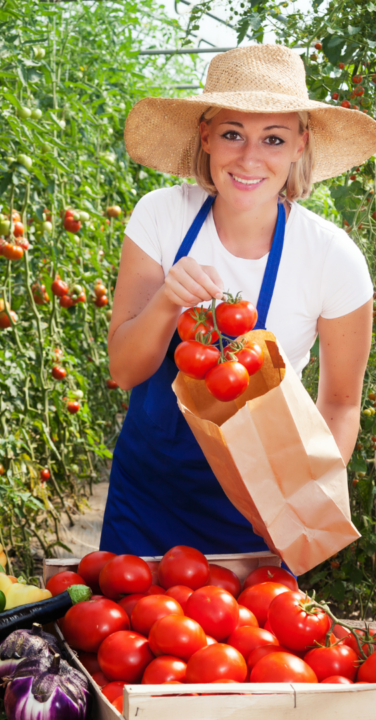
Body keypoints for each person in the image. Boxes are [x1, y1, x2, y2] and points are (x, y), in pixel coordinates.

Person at [101, 44, 376, 557]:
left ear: (300, 145)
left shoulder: (332, 258)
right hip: (147, 498)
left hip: (259, 512)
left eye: (273, 139)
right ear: (205, 136)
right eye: (232, 134)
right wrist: (165, 303)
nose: (250, 159)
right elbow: (124, 370)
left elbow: (340, 404)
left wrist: (301, 505)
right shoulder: (162, 216)